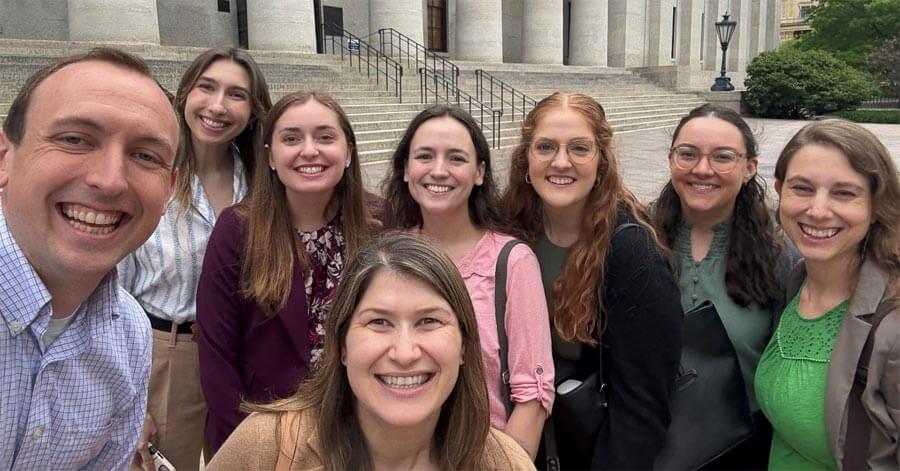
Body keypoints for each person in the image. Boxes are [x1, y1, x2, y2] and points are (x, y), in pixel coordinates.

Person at [208, 232, 536, 470]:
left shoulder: (506, 464)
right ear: (342, 345)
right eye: (379, 322)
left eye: (429, 321)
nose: (405, 353)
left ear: (464, 345)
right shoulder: (267, 448)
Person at [0, 48, 178, 469]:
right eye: (75, 139)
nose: (109, 180)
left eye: (144, 155)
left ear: (169, 190)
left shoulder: (131, 334)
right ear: (5, 157)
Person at [502, 92, 683, 469]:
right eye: (546, 147)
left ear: (601, 162)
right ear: (526, 160)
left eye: (579, 149)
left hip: (591, 451)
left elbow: (642, 406)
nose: (561, 162)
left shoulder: (632, 252)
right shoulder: (509, 229)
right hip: (516, 443)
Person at [196, 91, 378, 456]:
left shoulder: (381, 225)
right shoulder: (236, 229)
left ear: (349, 152)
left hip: (363, 434)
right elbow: (217, 356)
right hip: (263, 431)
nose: (309, 150)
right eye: (291, 138)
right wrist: (255, 447)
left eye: (325, 137)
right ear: (270, 157)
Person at [120, 47, 271, 470]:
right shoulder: (149, 175)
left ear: (254, 109)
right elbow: (111, 294)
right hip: (166, 353)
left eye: (236, 94)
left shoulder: (260, 182)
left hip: (241, 359)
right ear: (186, 93)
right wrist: (132, 404)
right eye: (207, 87)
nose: (218, 106)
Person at [382, 104, 554, 458]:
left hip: (484, 456)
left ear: (479, 173)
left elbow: (533, 397)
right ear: (405, 169)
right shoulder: (387, 257)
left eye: (456, 158)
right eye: (425, 156)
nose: (439, 171)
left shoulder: (512, 262)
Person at [650, 104, 793, 468]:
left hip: (743, 444)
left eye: (722, 157)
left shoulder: (781, 252)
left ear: (749, 168)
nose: (702, 169)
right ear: (671, 159)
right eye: (688, 154)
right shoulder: (637, 237)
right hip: (647, 440)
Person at [756, 119, 900, 470]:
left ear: (875, 204)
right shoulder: (796, 281)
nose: (818, 210)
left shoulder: (892, 324)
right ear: (780, 191)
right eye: (802, 188)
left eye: (844, 193)